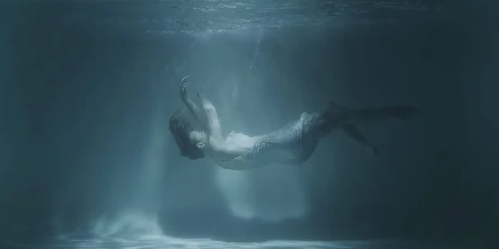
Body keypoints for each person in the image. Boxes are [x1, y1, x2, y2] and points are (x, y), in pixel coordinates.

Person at [169, 76, 417, 170]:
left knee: (335, 115)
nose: (200, 129)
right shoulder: (216, 147)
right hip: (291, 141)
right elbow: (211, 115)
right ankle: (393, 112)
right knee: (336, 115)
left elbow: (207, 124)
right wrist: (201, 95)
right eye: (197, 134)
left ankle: (364, 142)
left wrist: (188, 101)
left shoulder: (217, 154)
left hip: (292, 151)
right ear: (200, 145)